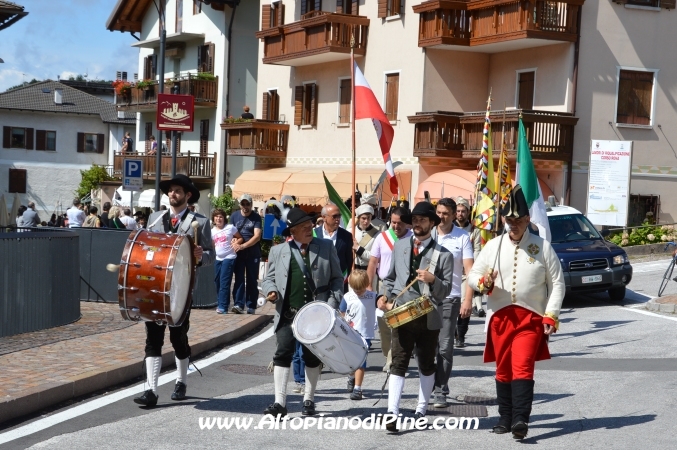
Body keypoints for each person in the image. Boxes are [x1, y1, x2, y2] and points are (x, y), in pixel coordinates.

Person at [468, 185, 565, 440]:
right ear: (503, 220)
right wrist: (483, 284)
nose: (513, 225)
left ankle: (521, 419)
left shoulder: (542, 247)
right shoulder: (493, 246)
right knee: (503, 369)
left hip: (529, 318)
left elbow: (557, 283)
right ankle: (505, 417)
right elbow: (473, 276)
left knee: (522, 367)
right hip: (500, 317)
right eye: (509, 220)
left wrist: (551, 314)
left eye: (518, 220)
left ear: (527, 219)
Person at [135, 174, 214, 407]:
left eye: (178, 191)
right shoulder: (155, 218)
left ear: (188, 195)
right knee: (153, 337)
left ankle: (181, 381)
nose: (172, 194)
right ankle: (151, 390)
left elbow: (211, 256)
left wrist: (201, 256)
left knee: (178, 338)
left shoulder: (200, 221)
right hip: (155, 285)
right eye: (170, 190)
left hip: (182, 288)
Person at [376, 202, 453, 431]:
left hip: (429, 316)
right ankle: (392, 412)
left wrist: (433, 280)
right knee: (398, 362)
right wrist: (383, 296)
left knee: (426, 364)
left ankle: (421, 409)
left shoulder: (444, 255)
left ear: (432, 223)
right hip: (402, 313)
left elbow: (446, 290)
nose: (417, 223)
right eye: (415, 219)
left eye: (422, 220)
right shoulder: (400, 246)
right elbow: (389, 278)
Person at [261, 208, 343, 417]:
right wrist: (270, 290)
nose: (310, 230)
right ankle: (280, 403)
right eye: (305, 228)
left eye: (310, 226)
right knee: (282, 354)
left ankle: (309, 399)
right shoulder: (278, 251)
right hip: (288, 312)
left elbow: (336, 279)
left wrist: (331, 305)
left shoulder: (325, 247)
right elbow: (268, 279)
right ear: (293, 232)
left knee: (312, 356)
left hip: (317, 315)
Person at [430, 198, 474, 408]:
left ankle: (440, 389)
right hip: (426, 298)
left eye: (445, 213)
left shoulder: (462, 237)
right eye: (438, 212)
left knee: (445, 346)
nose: (441, 216)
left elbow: (470, 271)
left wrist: (468, 299)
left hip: (451, 297)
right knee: (428, 347)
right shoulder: (427, 235)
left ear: (454, 214)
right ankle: (429, 383)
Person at [366, 207, 412, 372]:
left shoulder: (413, 238)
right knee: (384, 326)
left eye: (399, 223)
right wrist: (369, 285)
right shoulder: (382, 238)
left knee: (401, 326)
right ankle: (389, 356)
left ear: (406, 223)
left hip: (406, 287)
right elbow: (373, 262)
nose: (395, 226)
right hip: (385, 286)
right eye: (393, 222)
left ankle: (397, 358)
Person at [340, 270, 377, 401]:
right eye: (355, 289)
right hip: (350, 334)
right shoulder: (347, 297)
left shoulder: (372, 296)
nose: (358, 292)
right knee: (351, 361)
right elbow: (342, 311)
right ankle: (351, 377)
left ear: (367, 284)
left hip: (365, 334)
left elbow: (381, 303)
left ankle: (357, 389)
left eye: (360, 289)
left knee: (361, 361)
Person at [230, 194, 263, 314]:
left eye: (247, 204)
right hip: (238, 254)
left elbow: (257, 236)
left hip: (252, 253)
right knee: (238, 279)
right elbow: (231, 233)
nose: (245, 207)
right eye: (243, 204)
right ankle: (238, 304)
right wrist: (234, 240)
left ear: (251, 204)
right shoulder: (234, 216)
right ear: (240, 205)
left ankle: (251, 305)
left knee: (252, 279)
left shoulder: (256, 217)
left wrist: (243, 245)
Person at [456, 196, 485, 321]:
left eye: (463, 211)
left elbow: (477, 249)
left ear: (468, 212)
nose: (460, 214)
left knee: (464, 300)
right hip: (452, 269)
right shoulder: (449, 229)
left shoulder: (474, 230)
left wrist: (473, 267)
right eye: (458, 211)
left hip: (466, 271)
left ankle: (461, 335)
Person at [315, 203, 353, 292]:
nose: (338, 219)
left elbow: (349, 260)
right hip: (319, 283)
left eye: (339, 216)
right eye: (334, 216)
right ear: (324, 217)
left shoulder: (346, 236)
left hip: (340, 283)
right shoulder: (314, 234)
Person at [212, 208, 243, 314]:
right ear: (213, 219)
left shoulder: (230, 228)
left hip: (229, 257)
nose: (218, 219)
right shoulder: (212, 231)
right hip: (218, 258)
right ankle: (221, 302)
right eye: (216, 216)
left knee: (224, 281)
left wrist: (236, 242)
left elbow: (240, 238)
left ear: (224, 218)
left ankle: (223, 307)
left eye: (220, 216)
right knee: (217, 282)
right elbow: (212, 245)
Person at [351, 204, 379, 271]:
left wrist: (358, 249)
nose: (366, 221)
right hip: (354, 270)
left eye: (368, 218)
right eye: (363, 218)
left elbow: (375, 257)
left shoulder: (378, 234)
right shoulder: (351, 232)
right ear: (358, 218)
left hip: (369, 270)